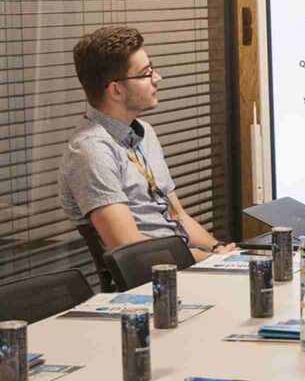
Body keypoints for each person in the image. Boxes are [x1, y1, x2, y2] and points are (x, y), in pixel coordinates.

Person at [58, 26, 233, 258]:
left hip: (187, 261)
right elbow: (131, 248)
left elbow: (178, 216)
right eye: (146, 73)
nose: (157, 78)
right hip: (154, 273)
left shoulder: (144, 133)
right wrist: (210, 260)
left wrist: (219, 250)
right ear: (116, 90)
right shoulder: (91, 151)